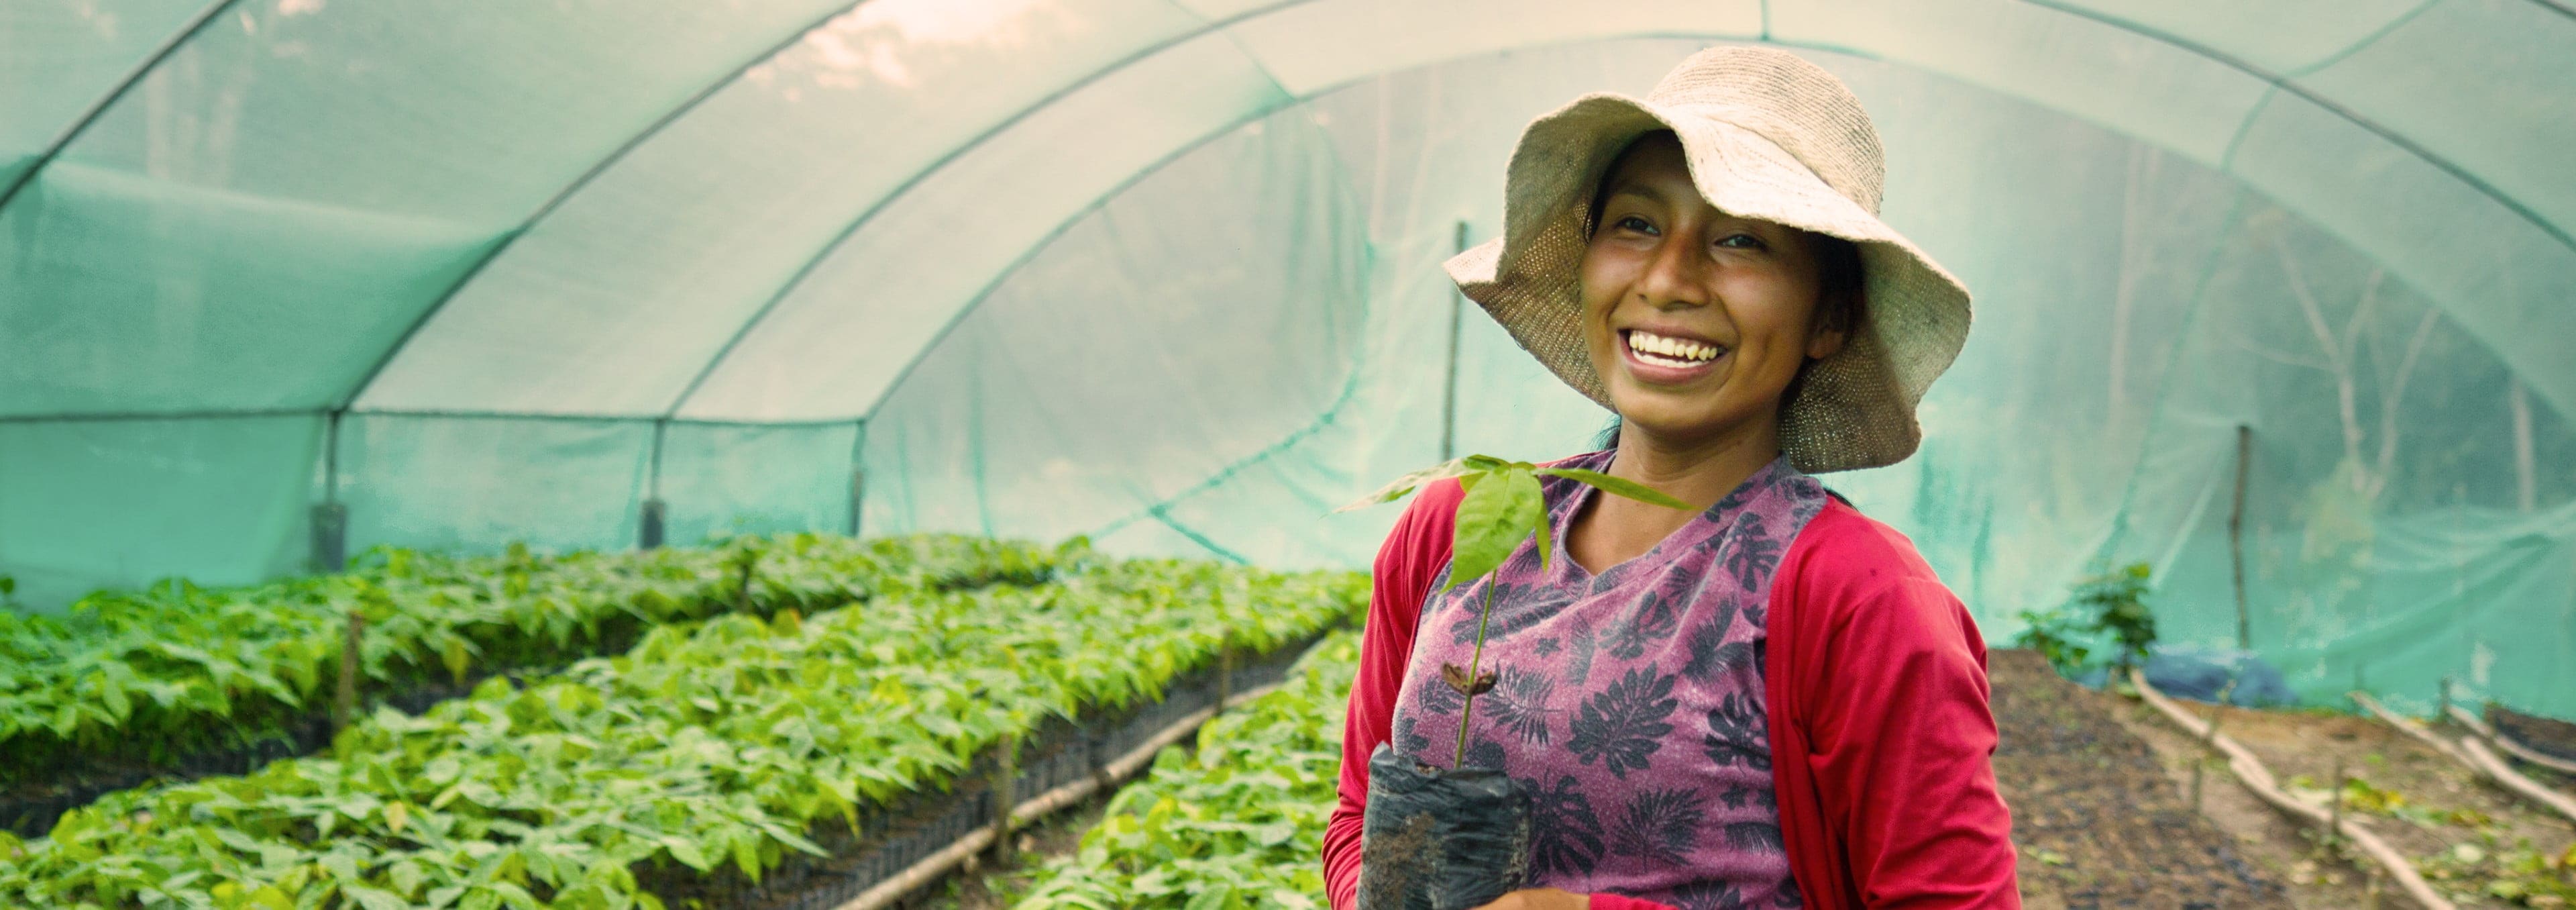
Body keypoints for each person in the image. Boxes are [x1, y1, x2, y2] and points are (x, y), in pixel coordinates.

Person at [1322, 46, 2019, 909]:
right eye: (1637, 225)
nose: (1667, 279)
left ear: (1828, 317)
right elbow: (1361, 815)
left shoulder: (1862, 600)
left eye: (1741, 240)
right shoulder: (1459, 528)